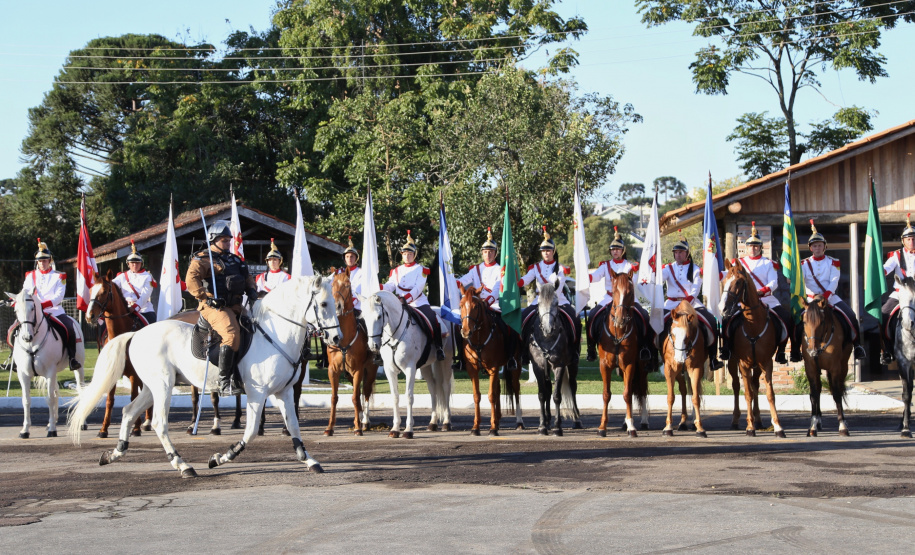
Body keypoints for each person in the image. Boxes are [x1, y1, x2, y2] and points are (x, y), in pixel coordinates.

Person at [185, 220, 257, 396]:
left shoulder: (235, 259)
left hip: (236, 306)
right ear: (213, 239)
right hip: (215, 307)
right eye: (224, 239)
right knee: (231, 335)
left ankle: (241, 372)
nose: (228, 242)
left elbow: (247, 278)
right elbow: (191, 281)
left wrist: (252, 290)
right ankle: (224, 381)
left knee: (256, 329)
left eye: (228, 239)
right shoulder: (202, 258)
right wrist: (207, 298)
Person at [720, 223, 795, 364]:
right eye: (750, 246)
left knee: (786, 318)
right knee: (727, 319)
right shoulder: (738, 263)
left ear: (760, 248)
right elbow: (728, 275)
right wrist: (715, 274)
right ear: (746, 248)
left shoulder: (769, 263)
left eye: (756, 246)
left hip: (766, 299)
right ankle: (726, 348)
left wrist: (761, 291)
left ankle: (781, 351)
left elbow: (774, 283)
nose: (753, 249)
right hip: (743, 299)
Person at [652, 233, 723, 370]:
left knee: (712, 321)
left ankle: (713, 358)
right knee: (655, 322)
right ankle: (654, 357)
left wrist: (687, 302)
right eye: (676, 252)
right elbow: (660, 280)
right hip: (672, 303)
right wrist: (654, 272)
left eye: (681, 252)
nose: (678, 255)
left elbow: (696, 288)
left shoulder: (696, 269)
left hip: (692, 303)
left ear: (687, 253)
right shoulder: (668, 268)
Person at [799, 219, 866, 360]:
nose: (817, 248)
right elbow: (802, 282)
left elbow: (834, 280)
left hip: (830, 297)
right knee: (796, 321)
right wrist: (812, 295)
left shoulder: (833, 262)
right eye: (814, 246)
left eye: (820, 245)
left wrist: (826, 295)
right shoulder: (804, 264)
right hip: (811, 299)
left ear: (825, 246)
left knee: (851, 316)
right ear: (810, 248)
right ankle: (795, 349)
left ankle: (857, 345)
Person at [585, 226, 653, 362]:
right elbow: (596, 277)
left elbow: (635, 282)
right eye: (613, 250)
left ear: (623, 251)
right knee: (592, 315)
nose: (615, 252)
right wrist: (585, 276)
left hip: (627, 300)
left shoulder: (629, 266)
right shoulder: (605, 265)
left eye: (618, 249)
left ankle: (645, 346)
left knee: (644, 316)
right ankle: (591, 348)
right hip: (609, 298)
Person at [455, 227, 518, 371]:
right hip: (475, 306)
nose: (487, 254)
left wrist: (488, 301)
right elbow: (464, 280)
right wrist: (455, 281)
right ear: (482, 254)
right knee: (459, 327)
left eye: (490, 252)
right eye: (485, 252)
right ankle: (461, 359)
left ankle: (510, 358)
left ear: (495, 253)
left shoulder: (500, 269)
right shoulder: (476, 269)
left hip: (494, 305)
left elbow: (497, 287)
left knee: (508, 327)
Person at [382, 230, 446, 361]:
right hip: (399, 303)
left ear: (414, 255)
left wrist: (405, 299)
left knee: (432, 319)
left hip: (417, 303)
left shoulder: (421, 269)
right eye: (405, 254)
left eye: (410, 254)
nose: (407, 256)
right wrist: (380, 287)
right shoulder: (396, 270)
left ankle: (439, 348)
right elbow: (391, 285)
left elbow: (418, 288)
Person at [22, 239, 81, 370]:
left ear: (50, 261)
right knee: (15, 328)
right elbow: (25, 293)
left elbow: (59, 297)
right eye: (40, 260)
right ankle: (15, 359)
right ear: (37, 262)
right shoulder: (30, 276)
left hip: (54, 311)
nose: (42, 263)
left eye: (45, 260)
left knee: (69, 328)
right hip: (33, 312)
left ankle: (72, 358)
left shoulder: (59, 276)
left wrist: (42, 305)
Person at [518, 227, 581, 351]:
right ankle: (523, 351)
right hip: (539, 301)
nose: (546, 253)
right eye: (543, 251)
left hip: (558, 301)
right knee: (523, 318)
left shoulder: (561, 269)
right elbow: (525, 280)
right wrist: (515, 280)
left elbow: (559, 287)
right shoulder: (536, 267)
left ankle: (574, 350)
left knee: (575, 318)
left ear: (553, 251)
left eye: (549, 250)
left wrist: (550, 299)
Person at [880, 214, 915, 364]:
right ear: (903, 241)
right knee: (883, 314)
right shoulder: (895, 255)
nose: (912, 241)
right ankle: (886, 350)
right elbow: (885, 269)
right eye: (908, 239)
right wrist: (878, 270)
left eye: (914, 238)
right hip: (900, 292)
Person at [112, 240, 158, 325]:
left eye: (137, 263)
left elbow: (145, 296)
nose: (135, 265)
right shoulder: (122, 276)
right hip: (124, 309)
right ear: (128, 264)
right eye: (132, 263)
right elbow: (111, 286)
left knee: (153, 326)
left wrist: (135, 307)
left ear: (141, 264)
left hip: (144, 309)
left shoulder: (147, 277)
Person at [340, 236, 363, 314]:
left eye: (352, 256)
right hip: (340, 305)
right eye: (347, 256)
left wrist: (352, 301)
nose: (349, 258)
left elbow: (359, 289)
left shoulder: (361, 272)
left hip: (357, 306)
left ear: (356, 258)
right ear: (345, 259)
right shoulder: (339, 272)